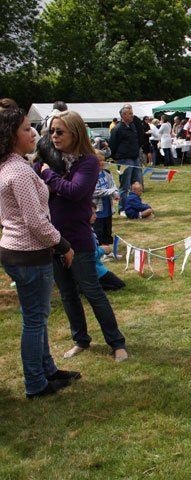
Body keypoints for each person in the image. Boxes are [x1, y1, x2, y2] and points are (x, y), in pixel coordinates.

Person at [34, 110, 128, 362]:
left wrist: (49, 177)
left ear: (75, 134)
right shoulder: (46, 159)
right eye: (51, 131)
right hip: (53, 238)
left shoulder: (86, 162)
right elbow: (46, 185)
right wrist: (54, 180)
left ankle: (116, 342)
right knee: (67, 293)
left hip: (78, 238)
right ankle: (81, 340)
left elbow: (75, 191)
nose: (54, 136)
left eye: (60, 131)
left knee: (93, 291)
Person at [0, 108, 80, 399]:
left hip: (17, 251)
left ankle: (47, 369)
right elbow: (35, 221)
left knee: (35, 317)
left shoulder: (10, 165)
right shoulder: (19, 171)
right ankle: (36, 383)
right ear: (10, 136)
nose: (33, 133)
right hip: (28, 254)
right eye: (24, 129)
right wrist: (63, 245)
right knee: (34, 320)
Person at [109, 105, 142, 215]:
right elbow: (112, 145)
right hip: (124, 160)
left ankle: (135, 205)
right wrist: (116, 157)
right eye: (130, 114)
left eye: (132, 113)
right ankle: (122, 208)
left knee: (137, 183)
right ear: (123, 115)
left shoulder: (133, 126)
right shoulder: (117, 129)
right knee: (125, 185)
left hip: (135, 158)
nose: (132, 115)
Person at [90, 203, 125, 291]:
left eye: (95, 213)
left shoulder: (89, 228)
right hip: (94, 270)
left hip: (97, 268)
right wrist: (102, 250)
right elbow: (88, 255)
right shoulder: (85, 233)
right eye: (92, 214)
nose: (96, 216)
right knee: (119, 285)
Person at [92, 149, 118, 245]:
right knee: (98, 231)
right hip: (97, 210)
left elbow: (112, 185)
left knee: (107, 230)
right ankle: (100, 250)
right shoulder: (90, 175)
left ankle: (107, 249)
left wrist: (115, 194)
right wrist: (111, 191)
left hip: (107, 208)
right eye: (99, 160)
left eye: (103, 160)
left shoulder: (107, 173)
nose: (102, 163)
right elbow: (94, 192)